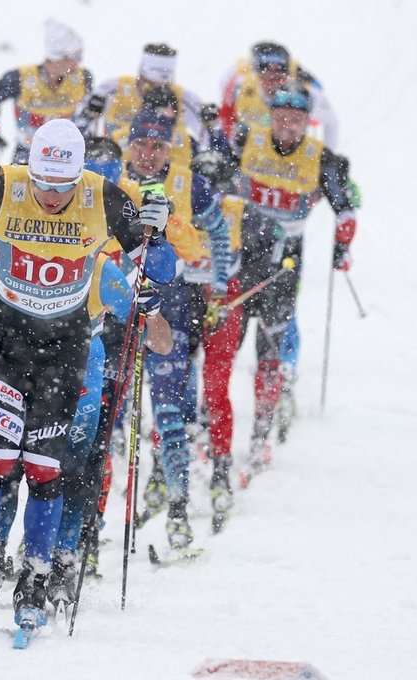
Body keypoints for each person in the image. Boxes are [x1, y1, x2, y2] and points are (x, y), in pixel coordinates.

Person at [0, 119, 176, 630]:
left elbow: (159, 270)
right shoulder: (3, 190)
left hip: (66, 348)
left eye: (63, 186)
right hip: (4, 343)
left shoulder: (103, 199)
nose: (52, 197)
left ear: (79, 176)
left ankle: (35, 574)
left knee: (45, 470)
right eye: (43, 184)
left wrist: (155, 233)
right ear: (28, 171)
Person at [116, 108, 241, 541]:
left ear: (170, 147)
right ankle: (89, 531)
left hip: (170, 310)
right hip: (118, 309)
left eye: (157, 146)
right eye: (141, 145)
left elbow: (220, 234)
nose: (148, 154)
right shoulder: (112, 181)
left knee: (169, 410)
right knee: (108, 412)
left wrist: (221, 289)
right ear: (129, 145)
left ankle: (179, 511)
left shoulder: (190, 183)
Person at [226, 85, 359, 476]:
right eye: (281, 117)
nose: (287, 126)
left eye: (297, 119)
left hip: (283, 265)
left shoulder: (320, 158)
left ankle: (261, 436)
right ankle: (206, 432)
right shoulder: (246, 141)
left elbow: (346, 208)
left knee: (269, 349)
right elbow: (209, 178)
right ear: (270, 116)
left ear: (308, 122)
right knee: (225, 347)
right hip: (239, 257)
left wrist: (342, 247)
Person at [74, 43, 210, 168]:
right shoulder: (114, 88)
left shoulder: (183, 99)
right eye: (148, 84)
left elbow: (207, 141)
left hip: (168, 173)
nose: (153, 92)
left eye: (162, 87)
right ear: (140, 75)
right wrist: (88, 114)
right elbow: (76, 129)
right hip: (117, 164)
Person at [0, 20, 93, 165]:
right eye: (76, 57)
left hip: (65, 153)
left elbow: (88, 111)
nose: (78, 63)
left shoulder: (83, 78)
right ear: (58, 58)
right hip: (27, 150)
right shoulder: (20, 78)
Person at [219, 41, 341, 150]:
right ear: (255, 71)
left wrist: (325, 157)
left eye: (280, 69)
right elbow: (226, 113)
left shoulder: (305, 95)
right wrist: (233, 142)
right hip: (250, 152)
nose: (272, 75)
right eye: (265, 68)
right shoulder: (239, 85)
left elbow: (331, 123)